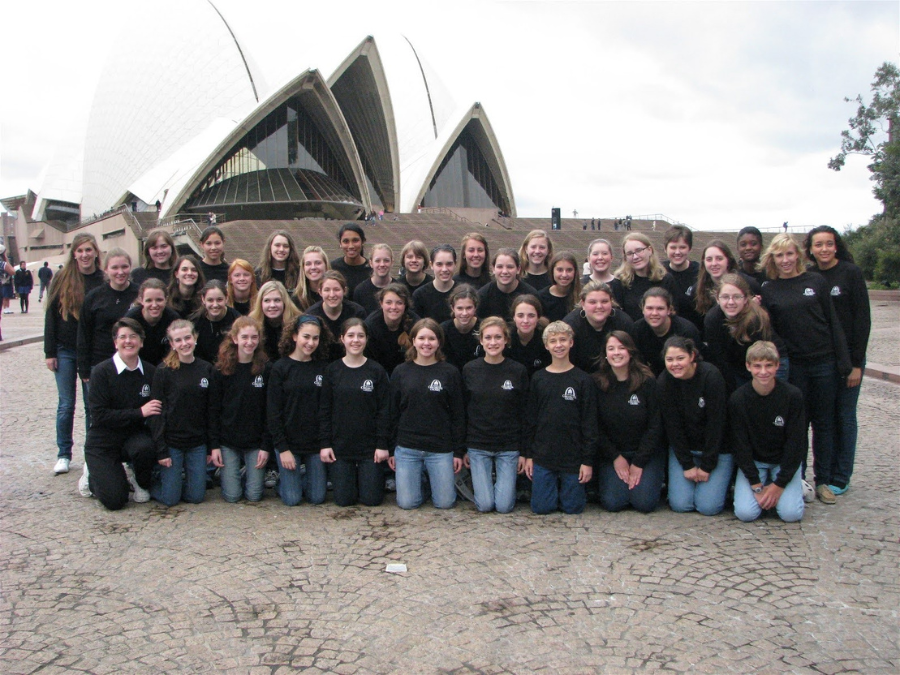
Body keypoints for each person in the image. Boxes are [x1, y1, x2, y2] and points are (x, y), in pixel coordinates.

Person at [760, 233, 851, 504]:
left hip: (823, 362)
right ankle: (795, 479)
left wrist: (844, 361)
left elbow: (833, 322)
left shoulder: (815, 281)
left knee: (824, 423)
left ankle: (822, 480)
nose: (785, 260)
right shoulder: (769, 288)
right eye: (779, 255)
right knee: (797, 425)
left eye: (790, 254)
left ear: (798, 256)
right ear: (772, 258)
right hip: (794, 365)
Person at [804, 225, 870, 496]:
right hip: (826, 358)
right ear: (810, 248)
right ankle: (825, 473)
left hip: (850, 359)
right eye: (818, 244)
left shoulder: (850, 273)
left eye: (828, 244)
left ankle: (841, 475)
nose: (824, 249)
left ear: (836, 245)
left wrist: (856, 363)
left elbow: (862, 319)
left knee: (845, 416)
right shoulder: (809, 275)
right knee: (826, 419)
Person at [81, 318, 160, 510]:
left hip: (134, 436)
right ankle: (93, 476)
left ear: (141, 342)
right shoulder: (101, 372)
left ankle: (139, 480)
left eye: (133, 336)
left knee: (146, 448)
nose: (128, 341)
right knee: (115, 501)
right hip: (104, 439)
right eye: (122, 337)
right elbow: (99, 416)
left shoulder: (151, 372)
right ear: (115, 342)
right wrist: (139, 412)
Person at [389, 318, 466, 510]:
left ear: (439, 342)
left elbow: (458, 414)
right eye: (421, 338)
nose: (426, 343)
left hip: (440, 448)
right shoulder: (400, 372)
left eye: (431, 338)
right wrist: (391, 448)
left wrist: (458, 451)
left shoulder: (450, 372)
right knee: (407, 503)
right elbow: (391, 412)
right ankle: (421, 483)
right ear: (413, 340)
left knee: (445, 502)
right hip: (407, 447)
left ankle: (432, 481)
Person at [523, 321, 598, 515]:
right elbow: (531, 419)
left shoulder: (583, 380)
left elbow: (589, 422)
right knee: (542, 508)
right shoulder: (538, 378)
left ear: (571, 343)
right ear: (546, 346)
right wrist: (530, 455)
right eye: (553, 341)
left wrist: (587, 461)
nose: (558, 345)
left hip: (573, 457)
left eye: (563, 340)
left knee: (573, 508)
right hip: (543, 455)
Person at [45, 233, 105, 475]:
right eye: (80, 250)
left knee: (93, 405)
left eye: (88, 250)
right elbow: (51, 315)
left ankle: (92, 453)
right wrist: (50, 351)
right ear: (74, 254)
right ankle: (63, 453)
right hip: (66, 349)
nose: (84, 255)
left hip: (92, 352)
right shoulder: (62, 278)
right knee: (66, 404)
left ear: (95, 253)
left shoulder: (102, 279)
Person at [731, 341, 807, 523]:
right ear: (748, 366)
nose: (763, 372)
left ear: (777, 366)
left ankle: (796, 487)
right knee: (746, 513)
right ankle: (766, 486)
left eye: (768, 366)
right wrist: (757, 486)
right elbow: (740, 444)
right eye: (757, 366)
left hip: (783, 462)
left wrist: (779, 485)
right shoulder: (738, 399)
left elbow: (797, 442)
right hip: (755, 462)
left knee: (791, 515)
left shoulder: (792, 396)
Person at [319, 319, 391, 507]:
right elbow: (324, 410)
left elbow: (385, 410)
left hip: (370, 448)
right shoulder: (332, 370)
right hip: (340, 448)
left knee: (372, 500)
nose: (355, 340)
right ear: (342, 339)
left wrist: (382, 445)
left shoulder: (376, 371)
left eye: (360, 336)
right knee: (344, 501)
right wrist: (325, 444)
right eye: (350, 335)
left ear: (367, 339)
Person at [658, 337, 731, 516]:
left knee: (708, 507)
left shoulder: (711, 376)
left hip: (716, 450)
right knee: (680, 505)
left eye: (680, 358)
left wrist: (707, 465)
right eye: (670, 360)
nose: (675, 364)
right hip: (686, 450)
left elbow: (717, 424)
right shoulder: (664, 382)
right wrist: (687, 464)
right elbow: (672, 427)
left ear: (692, 356)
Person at [462, 317, 528, 513]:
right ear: (481, 340)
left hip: (508, 446)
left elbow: (525, 412)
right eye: (488, 337)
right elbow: (463, 410)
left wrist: (524, 452)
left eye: (498, 337)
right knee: (485, 505)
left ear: (506, 340)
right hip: (478, 445)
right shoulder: (469, 369)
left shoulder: (517, 370)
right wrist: (463, 448)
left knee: (503, 506)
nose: (493, 342)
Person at [594, 331, 665, 513]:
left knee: (644, 504)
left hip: (645, 454)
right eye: (611, 349)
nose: (616, 353)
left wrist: (639, 462)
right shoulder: (597, 383)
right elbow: (595, 426)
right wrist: (615, 458)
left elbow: (655, 425)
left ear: (631, 352)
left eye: (621, 348)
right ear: (605, 354)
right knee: (613, 503)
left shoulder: (647, 382)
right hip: (613, 454)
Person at [149, 320, 216, 507]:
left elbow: (211, 410)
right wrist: (161, 450)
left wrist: (211, 446)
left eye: (188, 338)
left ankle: (184, 481)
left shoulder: (206, 369)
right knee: (170, 499)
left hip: (197, 443)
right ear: (172, 344)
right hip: (172, 443)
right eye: (178, 340)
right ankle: (151, 483)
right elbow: (156, 413)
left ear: (195, 338)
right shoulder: (163, 371)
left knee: (196, 497)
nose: (184, 343)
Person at [267, 314, 331, 506]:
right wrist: (283, 448)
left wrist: (324, 443)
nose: (310, 343)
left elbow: (326, 409)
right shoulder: (280, 368)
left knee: (317, 497)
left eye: (315, 338)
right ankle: (283, 480)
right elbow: (273, 411)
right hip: (289, 443)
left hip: (314, 444)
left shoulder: (322, 369)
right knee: (292, 499)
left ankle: (302, 475)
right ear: (295, 336)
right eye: (306, 337)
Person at [209, 317, 272, 503]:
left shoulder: (266, 369)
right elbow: (213, 410)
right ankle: (229, 472)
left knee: (254, 496)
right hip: (228, 441)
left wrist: (265, 446)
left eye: (254, 337)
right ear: (235, 339)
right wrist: (214, 446)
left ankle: (246, 471)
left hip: (255, 442)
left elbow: (270, 411)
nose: (249, 342)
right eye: (244, 337)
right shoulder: (221, 370)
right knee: (232, 496)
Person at [704, 273, 787, 394]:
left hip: (769, 362)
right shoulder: (712, 319)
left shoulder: (755, 319)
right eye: (725, 297)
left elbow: (761, 357)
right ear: (717, 299)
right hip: (738, 367)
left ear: (745, 299)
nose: (731, 302)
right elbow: (719, 359)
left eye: (737, 297)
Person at [77, 249, 140, 383]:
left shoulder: (139, 294)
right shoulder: (94, 297)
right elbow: (84, 333)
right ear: (106, 270)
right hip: (100, 362)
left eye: (124, 267)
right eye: (115, 268)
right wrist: (83, 368)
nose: (120, 272)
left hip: (133, 362)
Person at [563, 281, 633, 374]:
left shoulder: (623, 323)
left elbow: (633, 358)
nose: (599, 306)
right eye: (592, 302)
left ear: (611, 302)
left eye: (604, 301)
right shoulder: (571, 326)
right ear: (583, 304)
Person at [631, 288, 701, 376]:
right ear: (643, 309)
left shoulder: (686, 331)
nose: (654, 313)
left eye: (660, 308)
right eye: (649, 308)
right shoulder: (637, 329)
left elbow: (696, 364)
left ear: (669, 310)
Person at [692, 240, 761, 326]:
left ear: (728, 260)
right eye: (709, 259)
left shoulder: (749, 284)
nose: (714, 263)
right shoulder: (697, 290)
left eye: (719, 258)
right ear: (704, 262)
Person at [613, 233, 678, 321]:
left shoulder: (666, 279)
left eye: (639, 250)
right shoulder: (620, 281)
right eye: (629, 253)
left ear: (650, 250)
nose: (635, 257)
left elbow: (673, 313)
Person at [307, 271, 368, 361]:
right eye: (327, 290)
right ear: (320, 292)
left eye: (336, 289)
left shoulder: (357, 312)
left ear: (344, 290)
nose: (332, 295)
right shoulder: (312, 315)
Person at [364, 284, 418, 376]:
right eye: (388, 302)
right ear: (381, 303)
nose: (393, 307)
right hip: (378, 373)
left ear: (405, 305)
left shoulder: (414, 324)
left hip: (408, 372)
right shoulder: (370, 326)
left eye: (399, 303)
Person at [124, 279, 178, 366]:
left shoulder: (173, 319)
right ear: (141, 300)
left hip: (165, 367)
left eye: (159, 300)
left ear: (166, 299)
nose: (154, 305)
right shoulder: (131, 319)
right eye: (149, 300)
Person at [662, 225, 703, 330]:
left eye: (682, 247)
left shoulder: (700, 273)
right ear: (665, 249)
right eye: (673, 247)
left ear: (689, 249)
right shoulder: (658, 272)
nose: (677, 252)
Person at [477, 249, 536, 320]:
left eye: (510, 267)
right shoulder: (482, 296)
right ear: (493, 269)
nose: (504, 271)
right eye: (500, 267)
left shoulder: (531, 294)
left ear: (518, 269)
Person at [249, 280, 302, 362]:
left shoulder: (298, 322)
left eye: (277, 300)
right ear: (260, 303)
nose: (272, 305)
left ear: (284, 302)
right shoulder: (251, 322)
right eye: (267, 300)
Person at [192, 280, 240, 363]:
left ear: (226, 298)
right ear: (203, 299)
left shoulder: (237, 320)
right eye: (210, 300)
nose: (215, 305)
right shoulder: (194, 322)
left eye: (219, 300)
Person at [506, 295, 550, 377]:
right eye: (520, 315)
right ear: (514, 317)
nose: (525, 320)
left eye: (531, 316)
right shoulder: (505, 340)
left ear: (538, 317)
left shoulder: (546, 340)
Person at [412, 244, 457, 323]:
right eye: (439, 264)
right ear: (431, 265)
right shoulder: (420, 295)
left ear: (455, 264)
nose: (444, 269)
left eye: (449, 264)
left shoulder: (463, 293)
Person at [440, 285, 480, 371]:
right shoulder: (443, 330)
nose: (464, 313)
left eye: (469, 308)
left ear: (475, 307)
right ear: (452, 308)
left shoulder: (483, 329)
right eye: (460, 308)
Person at [537, 251, 581, 322]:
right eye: (560, 270)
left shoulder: (582, 296)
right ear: (552, 271)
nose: (564, 275)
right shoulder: (541, 297)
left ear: (575, 272)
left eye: (569, 270)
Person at [352, 243, 394, 315]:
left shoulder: (400, 288)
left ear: (392, 263)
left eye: (386, 260)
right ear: (371, 263)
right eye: (377, 261)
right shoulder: (360, 291)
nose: (382, 264)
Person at [330, 223, 371, 296]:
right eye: (346, 241)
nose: (351, 246)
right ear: (340, 243)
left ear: (363, 242)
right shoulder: (332, 268)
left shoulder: (372, 268)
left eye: (355, 240)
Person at [166, 254, 206, 319]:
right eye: (184, 269)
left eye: (194, 270)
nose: (189, 273)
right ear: (176, 274)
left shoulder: (204, 299)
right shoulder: (166, 298)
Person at [292, 246, 330, 311]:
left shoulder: (335, 294)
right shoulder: (296, 299)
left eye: (318, 263)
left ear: (326, 265)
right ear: (303, 268)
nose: (313, 267)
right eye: (308, 264)